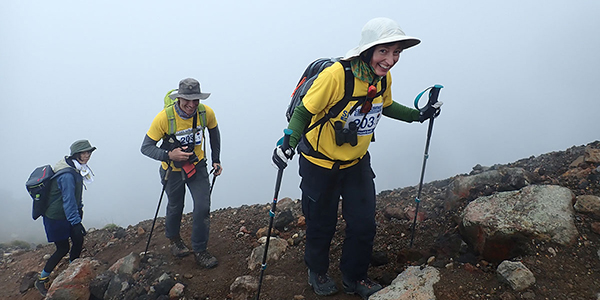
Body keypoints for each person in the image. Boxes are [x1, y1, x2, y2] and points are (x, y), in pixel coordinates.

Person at [272, 17, 442, 299]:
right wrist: (288, 143)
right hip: (319, 164)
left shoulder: (382, 77)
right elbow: (304, 111)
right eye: (384, 51)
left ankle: (355, 277)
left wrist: (418, 115)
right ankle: (317, 270)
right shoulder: (336, 75)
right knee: (321, 223)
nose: (390, 60)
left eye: (396, 52)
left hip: (357, 163)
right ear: (368, 51)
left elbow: (385, 105)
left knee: (364, 223)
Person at [141, 77, 222, 269]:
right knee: (176, 206)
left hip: (197, 166)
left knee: (202, 207)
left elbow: (214, 133)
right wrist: (169, 154)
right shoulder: (164, 118)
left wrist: (216, 159)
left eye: (196, 100)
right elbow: (146, 147)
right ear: (179, 98)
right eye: (187, 99)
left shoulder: (205, 113)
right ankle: (175, 240)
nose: (191, 104)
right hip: (172, 171)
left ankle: (200, 250)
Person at [35, 139, 96, 297]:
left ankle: (72, 270)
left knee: (78, 240)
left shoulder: (75, 168)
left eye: (89, 152)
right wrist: (76, 222)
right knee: (63, 248)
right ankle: (42, 279)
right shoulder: (68, 175)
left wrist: (79, 210)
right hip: (56, 217)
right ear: (76, 154)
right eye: (84, 152)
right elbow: (68, 201)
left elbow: (76, 196)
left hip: (66, 214)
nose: (87, 155)